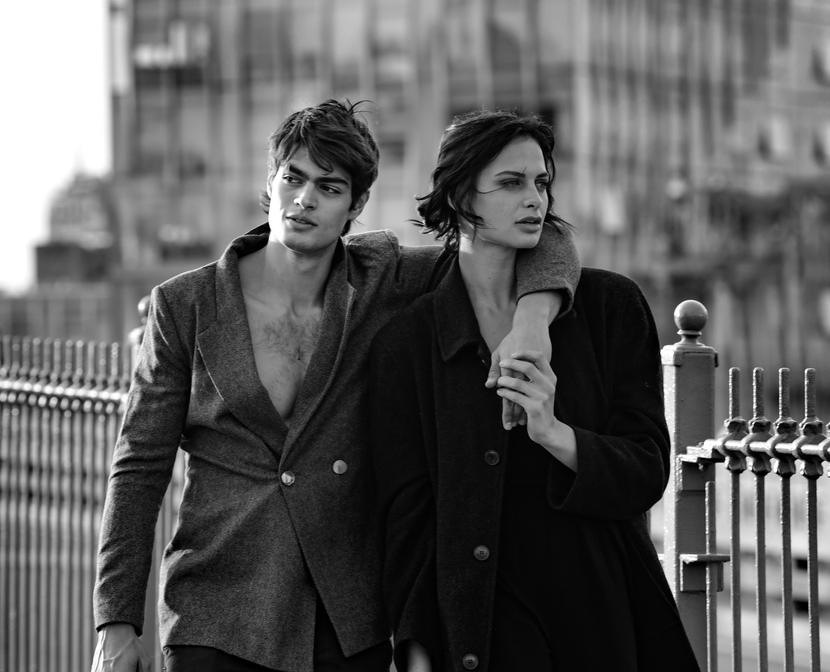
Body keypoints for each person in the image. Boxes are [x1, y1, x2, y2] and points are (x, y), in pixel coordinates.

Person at [91, 100, 580, 672]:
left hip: (347, 617)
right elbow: (140, 465)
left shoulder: (384, 278)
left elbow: (542, 239)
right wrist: (117, 622)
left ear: (357, 204)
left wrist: (532, 321)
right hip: (215, 612)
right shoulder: (186, 305)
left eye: (329, 187)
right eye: (292, 178)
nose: (304, 199)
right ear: (269, 182)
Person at [369, 109, 701, 672]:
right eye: (510, 183)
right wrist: (416, 649)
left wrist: (554, 433)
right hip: (480, 623)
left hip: (602, 611)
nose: (534, 200)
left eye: (541, 182)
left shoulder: (610, 308)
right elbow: (407, 521)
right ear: (459, 196)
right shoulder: (406, 344)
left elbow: (647, 469)